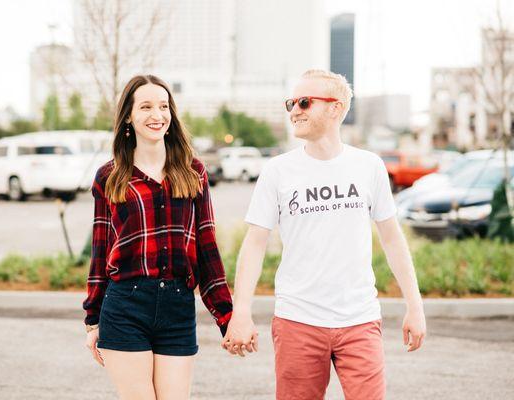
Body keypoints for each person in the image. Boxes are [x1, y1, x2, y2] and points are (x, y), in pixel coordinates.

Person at [222, 69, 427, 400]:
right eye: (291, 103)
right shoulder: (278, 171)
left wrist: (415, 307)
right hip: (297, 320)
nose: (294, 110)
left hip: (359, 319)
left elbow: (392, 239)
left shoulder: (368, 166)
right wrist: (241, 312)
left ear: (336, 108)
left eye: (304, 102)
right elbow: (255, 243)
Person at [83, 74, 233, 400]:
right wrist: (93, 320)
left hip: (178, 308)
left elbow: (207, 248)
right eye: (146, 106)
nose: (157, 115)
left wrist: (227, 317)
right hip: (125, 307)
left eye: (164, 106)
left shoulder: (193, 172)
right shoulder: (109, 177)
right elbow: (100, 250)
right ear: (129, 116)